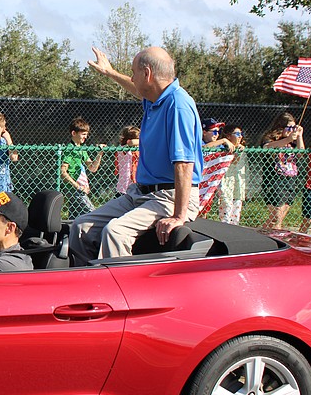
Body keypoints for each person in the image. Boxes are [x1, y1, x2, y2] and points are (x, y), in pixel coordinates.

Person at [69, 46, 204, 264]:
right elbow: (135, 88)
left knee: (116, 232)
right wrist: (110, 73)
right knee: (81, 227)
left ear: (147, 74)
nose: (132, 77)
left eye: (133, 71)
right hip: (140, 193)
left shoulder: (178, 105)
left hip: (169, 196)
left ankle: (120, 294)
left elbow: (184, 164)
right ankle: (87, 286)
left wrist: (178, 216)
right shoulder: (154, 99)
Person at [259, 112, 304, 230]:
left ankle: (263, 234)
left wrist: (299, 136)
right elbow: (267, 147)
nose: (292, 130)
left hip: (290, 181)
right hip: (274, 181)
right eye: (289, 127)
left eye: (293, 127)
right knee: (276, 217)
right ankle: (272, 238)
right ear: (281, 127)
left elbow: (301, 154)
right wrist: (287, 139)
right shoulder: (270, 138)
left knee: (278, 219)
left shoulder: (292, 142)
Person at [60, 117, 105, 218]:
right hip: (74, 189)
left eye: (86, 134)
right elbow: (63, 172)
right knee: (93, 213)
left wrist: (100, 153)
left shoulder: (82, 149)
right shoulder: (70, 150)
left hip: (80, 188)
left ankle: (71, 233)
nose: (85, 137)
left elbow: (92, 168)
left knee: (74, 217)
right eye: (83, 134)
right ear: (74, 133)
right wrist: (78, 186)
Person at [218, 124, 247, 225]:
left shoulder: (241, 149)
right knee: (226, 206)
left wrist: (238, 151)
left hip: (237, 183)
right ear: (229, 135)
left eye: (241, 134)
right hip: (225, 182)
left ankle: (234, 227)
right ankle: (224, 227)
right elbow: (232, 161)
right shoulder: (222, 147)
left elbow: (237, 162)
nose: (240, 136)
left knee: (237, 207)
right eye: (237, 134)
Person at [115, 125, 140, 196]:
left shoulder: (137, 151)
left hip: (135, 187)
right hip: (124, 188)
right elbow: (131, 142)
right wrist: (145, 139)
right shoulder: (123, 149)